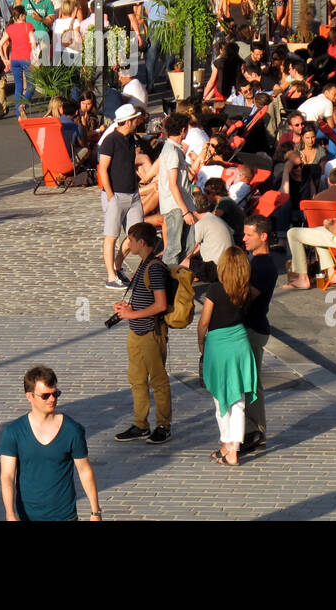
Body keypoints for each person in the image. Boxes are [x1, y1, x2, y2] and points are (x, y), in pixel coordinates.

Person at [0, 365, 101, 522]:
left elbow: (84, 470)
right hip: (27, 516)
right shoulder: (14, 431)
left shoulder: (72, 430)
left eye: (55, 394)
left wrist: (95, 512)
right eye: (45, 396)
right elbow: (7, 476)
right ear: (29, 396)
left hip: (65, 516)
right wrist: (10, 513)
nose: (52, 399)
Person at [198, 247, 260, 466]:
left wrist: (200, 343)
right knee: (238, 400)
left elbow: (204, 322)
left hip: (218, 345)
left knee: (220, 396)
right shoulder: (247, 291)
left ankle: (227, 444)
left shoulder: (215, 290)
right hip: (240, 344)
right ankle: (233, 448)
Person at [112, 222, 172, 445]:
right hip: (136, 332)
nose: (129, 244)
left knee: (158, 380)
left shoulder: (154, 268)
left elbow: (160, 305)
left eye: (131, 240)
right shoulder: (143, 265)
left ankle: (163, 426)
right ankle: (140, 424)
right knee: (137, 380)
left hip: (150, 332)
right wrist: (126, 309)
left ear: (142, 242)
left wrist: (132, 315)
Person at [98, 104, 144, 288]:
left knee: (136, 233)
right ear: (128, 121)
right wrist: (110, 196)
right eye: (136, 119)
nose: (138, 122)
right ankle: (111, 277)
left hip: (133, 194)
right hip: (116, 194)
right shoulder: (111, 140)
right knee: (111, 236)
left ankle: (118, 266)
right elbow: (103, 169)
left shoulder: (131, 138)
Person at [241, 214, 276, 450]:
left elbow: (246, 298)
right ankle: (251, 429)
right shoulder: (255, 260)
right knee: (249, 382)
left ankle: (255, 431)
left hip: (254, 329)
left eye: (249, 235)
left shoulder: (262, 265)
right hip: (252, 327)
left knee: (251, 383)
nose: (244, 239)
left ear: (263, 237)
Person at [156, 113, 196, 269]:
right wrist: (185, 211)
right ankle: (165, 283)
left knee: (186, 244)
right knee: (174, 248)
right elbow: (173, 184)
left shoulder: (172, 149)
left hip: (178, 205)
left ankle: (176, 280)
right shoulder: (172, 151)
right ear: (183, 130)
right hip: (176, 207)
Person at [0, 4, 35, 113]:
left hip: (14, 59)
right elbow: (33, 43)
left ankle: (19, 112)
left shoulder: (10, 28)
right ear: (22, 15)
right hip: (27, 58)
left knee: (18, 85)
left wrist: (5, 59)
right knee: (31, 85)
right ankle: (24, 104)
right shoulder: (28, 26)